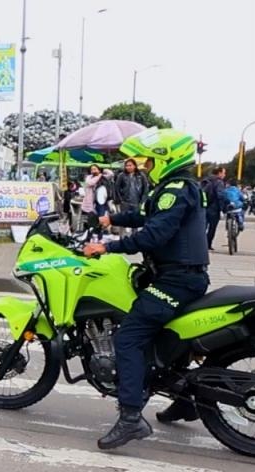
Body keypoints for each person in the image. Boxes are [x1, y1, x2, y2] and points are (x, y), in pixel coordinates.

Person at [84, 128, 209, 450]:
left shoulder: (176, 189)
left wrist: (108, 248)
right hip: (178, 276)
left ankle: (129, 419)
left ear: (167, 158)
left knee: (128, 337)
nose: (145, 166)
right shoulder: (177, 187)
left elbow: (155, 234)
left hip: (176, 280)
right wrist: (110, 220)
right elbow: (146, 215)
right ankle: (186, 399)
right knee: (166, 337)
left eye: (150, 161)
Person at [201, 166, 227, 250]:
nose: (224, 175)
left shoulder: (205, 180)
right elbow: (220, 196)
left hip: (204, 207)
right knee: (212, 228)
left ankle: (199, 243)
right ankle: (207, 244)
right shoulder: (219, 182)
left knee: (202, 226)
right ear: (219, 173)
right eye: (224, 173)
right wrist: (223, 209)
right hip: (214, 208)